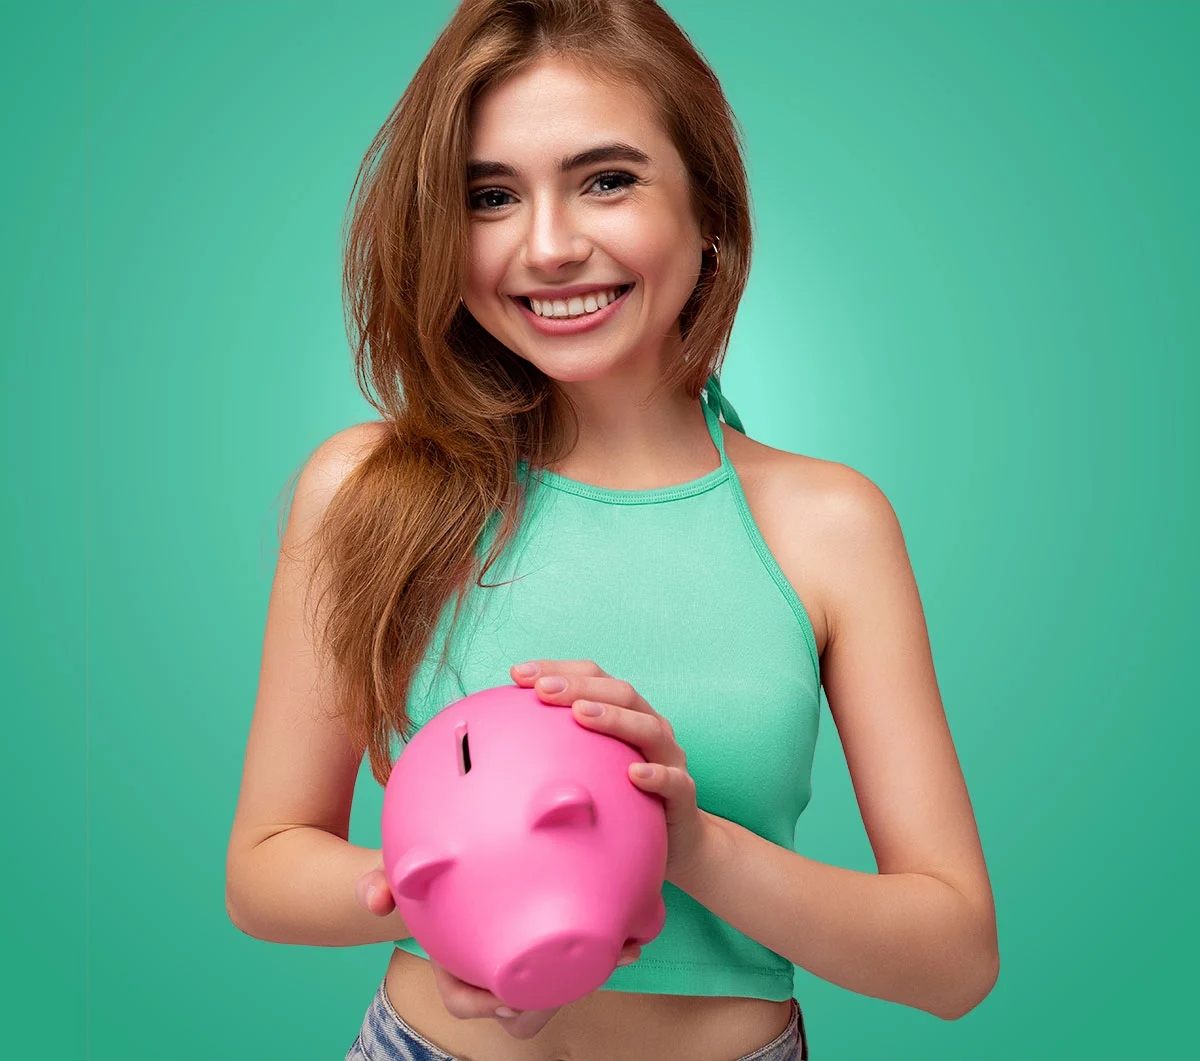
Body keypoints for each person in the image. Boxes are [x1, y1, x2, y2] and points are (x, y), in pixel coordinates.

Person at [224, 1, 999, 1058]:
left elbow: (954, 959)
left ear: (709, 209)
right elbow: (265, 864)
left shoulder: (829, 525)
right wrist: (464, 894)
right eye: (491, 197)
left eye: (606, 181)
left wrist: (688, 844)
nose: (549, 247)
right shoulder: (367, 487)